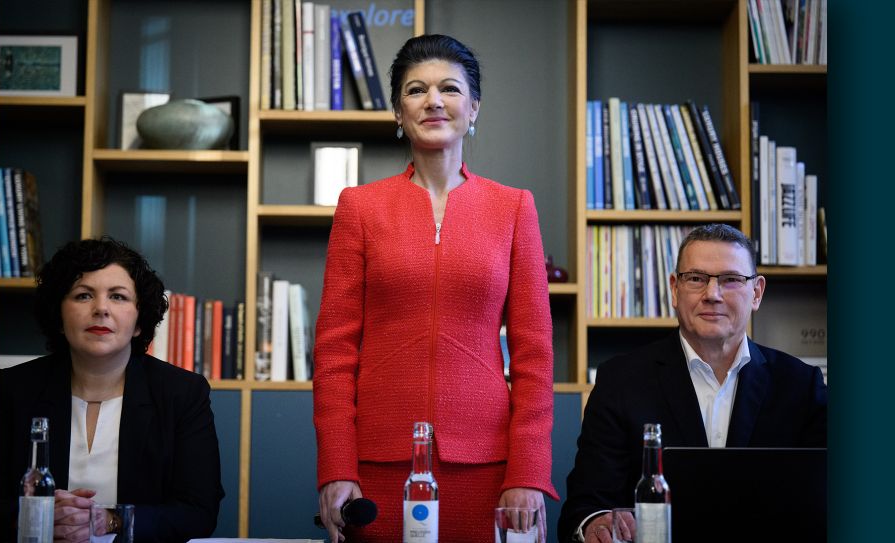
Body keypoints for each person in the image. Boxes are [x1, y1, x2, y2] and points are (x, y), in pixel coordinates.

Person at [313, 34, 558, 542]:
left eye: (449, 88)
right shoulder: (360, 207)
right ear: (398, 112)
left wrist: (528, 472)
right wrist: (337, 466)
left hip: (488, 465)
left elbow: (535, 356)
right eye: (415, 90)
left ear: (473, 109)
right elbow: (334, 351)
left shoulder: (514, 208)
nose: (433, 101)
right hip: (377, 463)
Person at [557, 224, 828, 543]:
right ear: (674, 288)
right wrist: (595, 524)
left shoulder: (801, 385)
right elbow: (585, 504)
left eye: (731, 280)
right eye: (696, 278)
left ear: (756, 293)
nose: (712, 295)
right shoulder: (620, 381)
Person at [0, 236, 224, 543]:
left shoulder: (182, 393)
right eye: (83, 295)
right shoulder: (11, 389)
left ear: (140, 321)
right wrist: (35, 517)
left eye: (118, 297)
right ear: (59, 317)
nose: (101, 308)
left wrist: (112, 520)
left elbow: (199, 511)